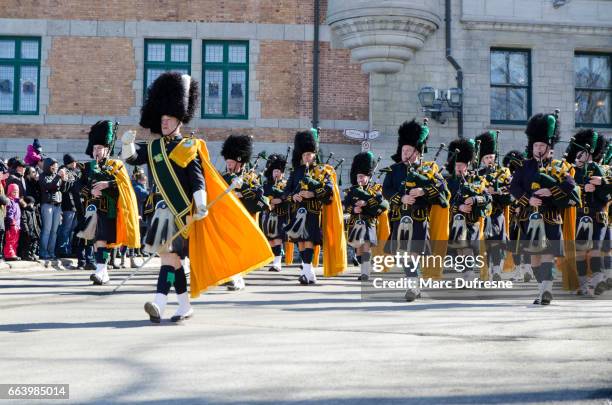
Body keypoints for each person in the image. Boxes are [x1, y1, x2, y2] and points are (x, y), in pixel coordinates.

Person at [121, 72, 273, 323]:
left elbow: (197, 178)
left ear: (179, 119)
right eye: (162, 118)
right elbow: (133, 159)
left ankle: (159, 302)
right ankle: (183, 305)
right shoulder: (155, 147)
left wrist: (201, 203)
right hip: (161, 211)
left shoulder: (188, 146)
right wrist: (127, 144)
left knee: (168, 257)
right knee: (173, 261)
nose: (165, 123)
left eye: (169, 118)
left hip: (181, 212)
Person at [510, 111, 580, 305]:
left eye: (542, 145)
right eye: (536, 145)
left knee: (548, 253)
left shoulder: (558, 166)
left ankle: (546, 290)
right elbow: (514, 187)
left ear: (549, 147)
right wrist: (528, 200)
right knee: (534, 258)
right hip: (529, 218)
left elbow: (570, 184)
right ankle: (541, 289)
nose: (538, 148)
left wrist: (552, 191)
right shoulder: (524, 166)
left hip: (550, 216)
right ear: (531, 146)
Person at [382, 119, 449, 301]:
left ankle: (412, 286)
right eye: (402, 150)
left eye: (408, 150)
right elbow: (386, 190)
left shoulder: (428, 169)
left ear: (417, 151)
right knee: (403, 253)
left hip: (418, 217)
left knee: (413, 252)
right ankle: (415, 283)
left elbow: (442, 187)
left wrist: (422, 191)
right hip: (399, 217)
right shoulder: (393, 170)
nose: (404, 153)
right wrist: (401, 197)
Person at [79, 120, 140, 285]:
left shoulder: (116, 165)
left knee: (102, 240)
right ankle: (102, 271)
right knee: (97, 241)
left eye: (100, 148)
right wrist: (90, 191)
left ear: (107, 149)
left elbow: (125, 185)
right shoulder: (86, 167)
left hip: (110, 209)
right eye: (94, 148)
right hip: (92, 209)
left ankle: (101, 270)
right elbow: (78, 186)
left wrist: (108, 184)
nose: (96, 151)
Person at [284, 129, 347, 285]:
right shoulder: (296, 171)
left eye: (309, 154)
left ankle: (307, 273)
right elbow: (286, 192)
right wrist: (294, 196)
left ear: (314, 154)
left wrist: (312, 194)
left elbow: (329, 191)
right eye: (304, 154)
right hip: (297, 211)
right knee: (300, 241)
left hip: (313, 212)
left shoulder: (322, 171)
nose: (307, 157)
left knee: (309, 240)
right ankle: (309, 273)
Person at [565, 128, 610, 296]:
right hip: (578, 215)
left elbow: (606, 195)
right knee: (580, 252)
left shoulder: (600, 170)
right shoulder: (571, 171)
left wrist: (600, 185)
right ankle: (583, 284)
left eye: (583, 152)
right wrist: (584, 188)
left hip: (597, 215)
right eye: (578, 153)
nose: (580, 156)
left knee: (596, 249)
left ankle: (597, 280)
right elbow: (567, 188)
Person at [344, 152, 389, 281]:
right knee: (358, 251)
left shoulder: (375, 189)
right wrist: (354, 209)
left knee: (366, 247)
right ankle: (365, 267)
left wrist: (366, 202)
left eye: (363, 176)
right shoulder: (351, 191)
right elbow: (345, 206)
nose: (360, 179)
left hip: (369, 223)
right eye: (359, 176)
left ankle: (365, 273)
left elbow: (385, 205)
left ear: (368, 177)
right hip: (355, 224)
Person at [475, 131, 512, 281]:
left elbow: (510, 189)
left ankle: (496, 269)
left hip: (497, 212)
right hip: (483, 214)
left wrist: (496, 191)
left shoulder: (503, 173)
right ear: (482, 159)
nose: (490, 159)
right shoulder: (478, 174)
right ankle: (487, 270)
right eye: (487, 157)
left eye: (491, 157)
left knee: (497, 242)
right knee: (485, 243)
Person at [39, 158, 72, 260]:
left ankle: (51, 252)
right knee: (47, 230)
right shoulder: (43, 176)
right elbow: (49, 186)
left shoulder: (56, 176)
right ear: (49, 165)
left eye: (57, 166)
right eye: (54, 165)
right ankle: (43, 252)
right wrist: (58, 176)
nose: (56, 168)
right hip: (47, 205)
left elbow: (63, 190)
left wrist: (64, 180)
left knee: (54, 231)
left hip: (58, 205)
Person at [262, 153, 289, 272]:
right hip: (269, 214)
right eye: (274, 171)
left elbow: (289, 197)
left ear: (282, 173)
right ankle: (275, 261)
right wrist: (269, 201)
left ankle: (278, 263)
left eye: (278, 171)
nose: (276, 173)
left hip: (281, 214)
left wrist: (281, 199)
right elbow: (262, 196)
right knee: (271, 238)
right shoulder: (267, 185)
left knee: (277, 237)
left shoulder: (287, 184)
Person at [56, 154, 80, 257]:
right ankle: (62, 250)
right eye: (74, 162)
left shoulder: (73, 172)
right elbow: (64, 188)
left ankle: (68, 249)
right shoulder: (64, 170)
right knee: (65, 229)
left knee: (71, 229)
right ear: (70, 162)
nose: (75, 164)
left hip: (74, 205)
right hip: (67, 205)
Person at [18, 196, 40, 261]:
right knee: (27, 243)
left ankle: (32, 253)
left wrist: (38, 229)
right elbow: (24, 221)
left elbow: (36, 221)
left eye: (33, 203)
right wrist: (26, 230)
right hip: (28, 231)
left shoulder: (33, 211)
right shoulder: (24, 211)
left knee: (35, 242)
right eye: (31, 203)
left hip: (34, 230)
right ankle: (26, 254)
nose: (33, 205)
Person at [3, 183, 21, 261]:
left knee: (15, 240)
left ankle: (13, 253)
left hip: (17, 224)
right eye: (14, 191)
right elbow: (9, 213)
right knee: (10, 239)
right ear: (10, 191)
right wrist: (12, 223)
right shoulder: (10, 201)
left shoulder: (16, 201)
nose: (15, 193)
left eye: (17, 192)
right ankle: (8, 254)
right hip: (11, 224)